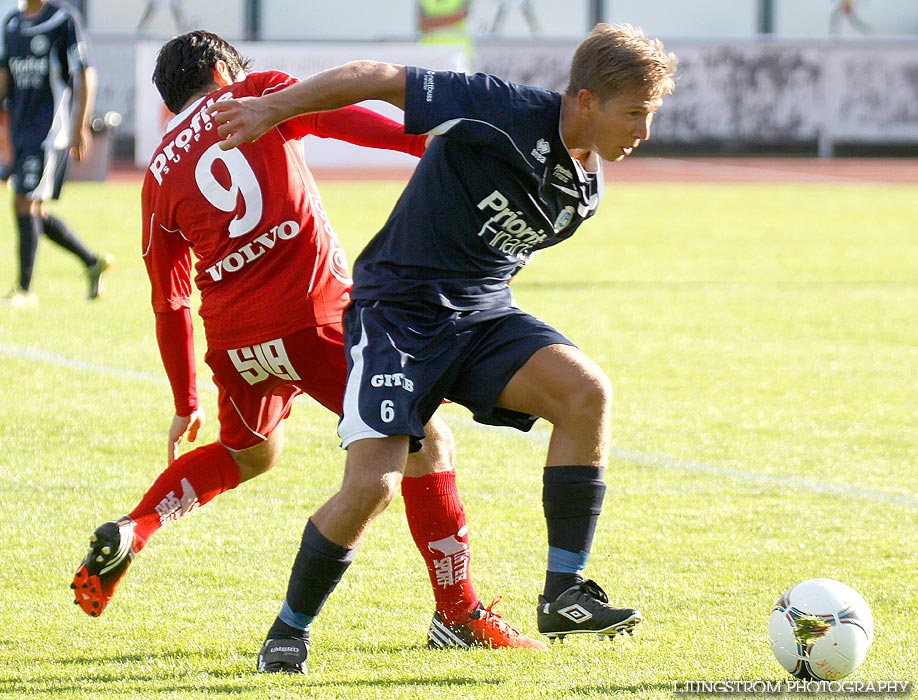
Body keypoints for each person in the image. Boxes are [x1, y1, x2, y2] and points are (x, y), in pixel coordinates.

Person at [208, 22, 677, 674]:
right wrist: (270, 108)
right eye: (636, 114)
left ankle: (563, 591)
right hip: (396, 315)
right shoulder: (503, 111)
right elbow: (376, 75)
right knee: (374, 486)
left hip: (481, 315)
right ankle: (288, 630)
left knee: (585, 393)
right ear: (587, 100)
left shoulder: (588, 187)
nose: (644, 133)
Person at [69, 30, 544, 658]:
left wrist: (186, 398)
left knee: (248, 457)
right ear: (220, 70)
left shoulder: (156, 177)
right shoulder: (254, 95)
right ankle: (457, 613)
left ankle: (137, 526)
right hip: (317, 322)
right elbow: (344, 119)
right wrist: (425, 141)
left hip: (238, 344)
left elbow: (171, 302)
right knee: (427, 443)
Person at [0, 0, 112, 306]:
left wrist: (81, 126)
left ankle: (24, 290)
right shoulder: (11, 23)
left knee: (24, 201)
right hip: (21, 131)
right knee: (33, 209)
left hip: (51, 131)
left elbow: (85, 73)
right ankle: (92, 261)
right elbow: (5, 76)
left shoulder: (63, 18)